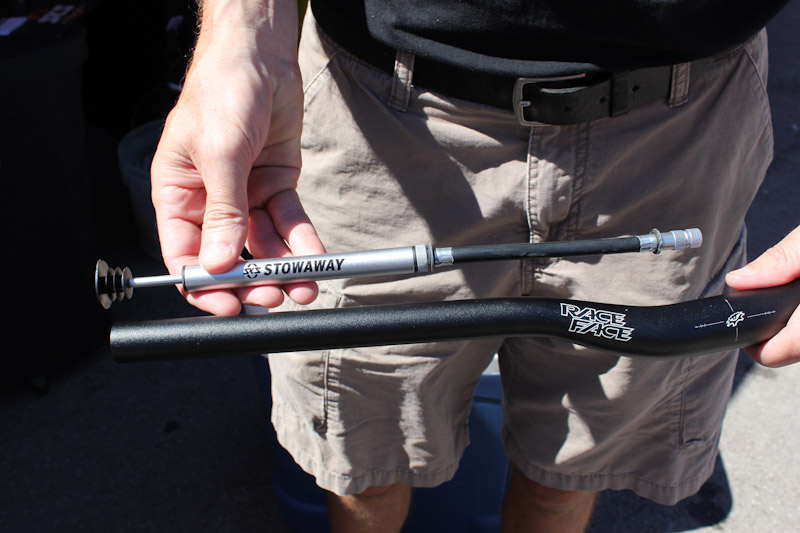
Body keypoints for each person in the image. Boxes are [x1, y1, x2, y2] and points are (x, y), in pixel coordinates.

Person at [150, 1, 799, 531]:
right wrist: (241, 31)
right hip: (384, 112)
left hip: (677, 129)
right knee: (364, 459)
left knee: (570, 470)